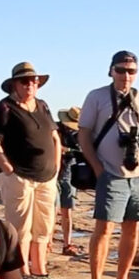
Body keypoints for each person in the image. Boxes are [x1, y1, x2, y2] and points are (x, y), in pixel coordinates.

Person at [78, 51, 139, 279]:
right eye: (121, 70)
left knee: (132, 226)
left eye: (131, 71)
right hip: (110, 172)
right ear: (111, 70)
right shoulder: (97, 97)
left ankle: (122, 278)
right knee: (104, 227)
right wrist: (97, 167)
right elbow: (84, 133)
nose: (126, 75)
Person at [0, 62, 60, 277]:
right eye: (24, 81)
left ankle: (39, 268)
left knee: (44, 225)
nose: (30, 86)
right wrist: (8, 169)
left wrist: (56, 168)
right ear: (14, 85)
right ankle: (22, 271)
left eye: (34, 81)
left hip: (46, 177)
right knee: (20, 227)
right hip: (19, 176)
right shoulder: (3, 108)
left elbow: (54, 137)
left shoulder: (43, 106)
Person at [55, 107, 82, 256]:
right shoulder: (55, 129)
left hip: (69, 173)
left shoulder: (79, 134)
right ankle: (48, 243)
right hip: (54, 173)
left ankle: (67, 243)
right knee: (51, 211)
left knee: (67, 211)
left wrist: (71, 151)